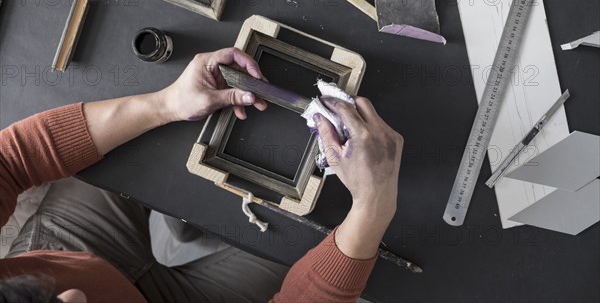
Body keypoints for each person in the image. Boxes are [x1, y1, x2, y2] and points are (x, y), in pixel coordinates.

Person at [0, 48, 404, 303]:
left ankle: (184, 230)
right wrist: (373, 205)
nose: (71, 297)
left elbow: (11, 159)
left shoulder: (64, 287)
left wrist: (166, 104)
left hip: (70, 250)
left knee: (135, 160)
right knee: (297, 239)